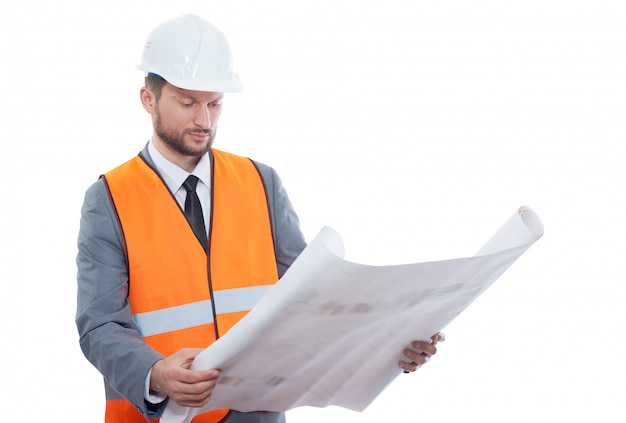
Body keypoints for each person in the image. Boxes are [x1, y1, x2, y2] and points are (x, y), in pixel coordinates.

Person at [75, 13, 443, 423]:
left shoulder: (261, 182)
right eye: (188, 103)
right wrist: (155, 374)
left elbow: (314, 301)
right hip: (161, 417)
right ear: (148, 99)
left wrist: (389, 343)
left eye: (215, 103)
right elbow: (99, 324)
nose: (205, 121)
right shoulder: (108, 199)